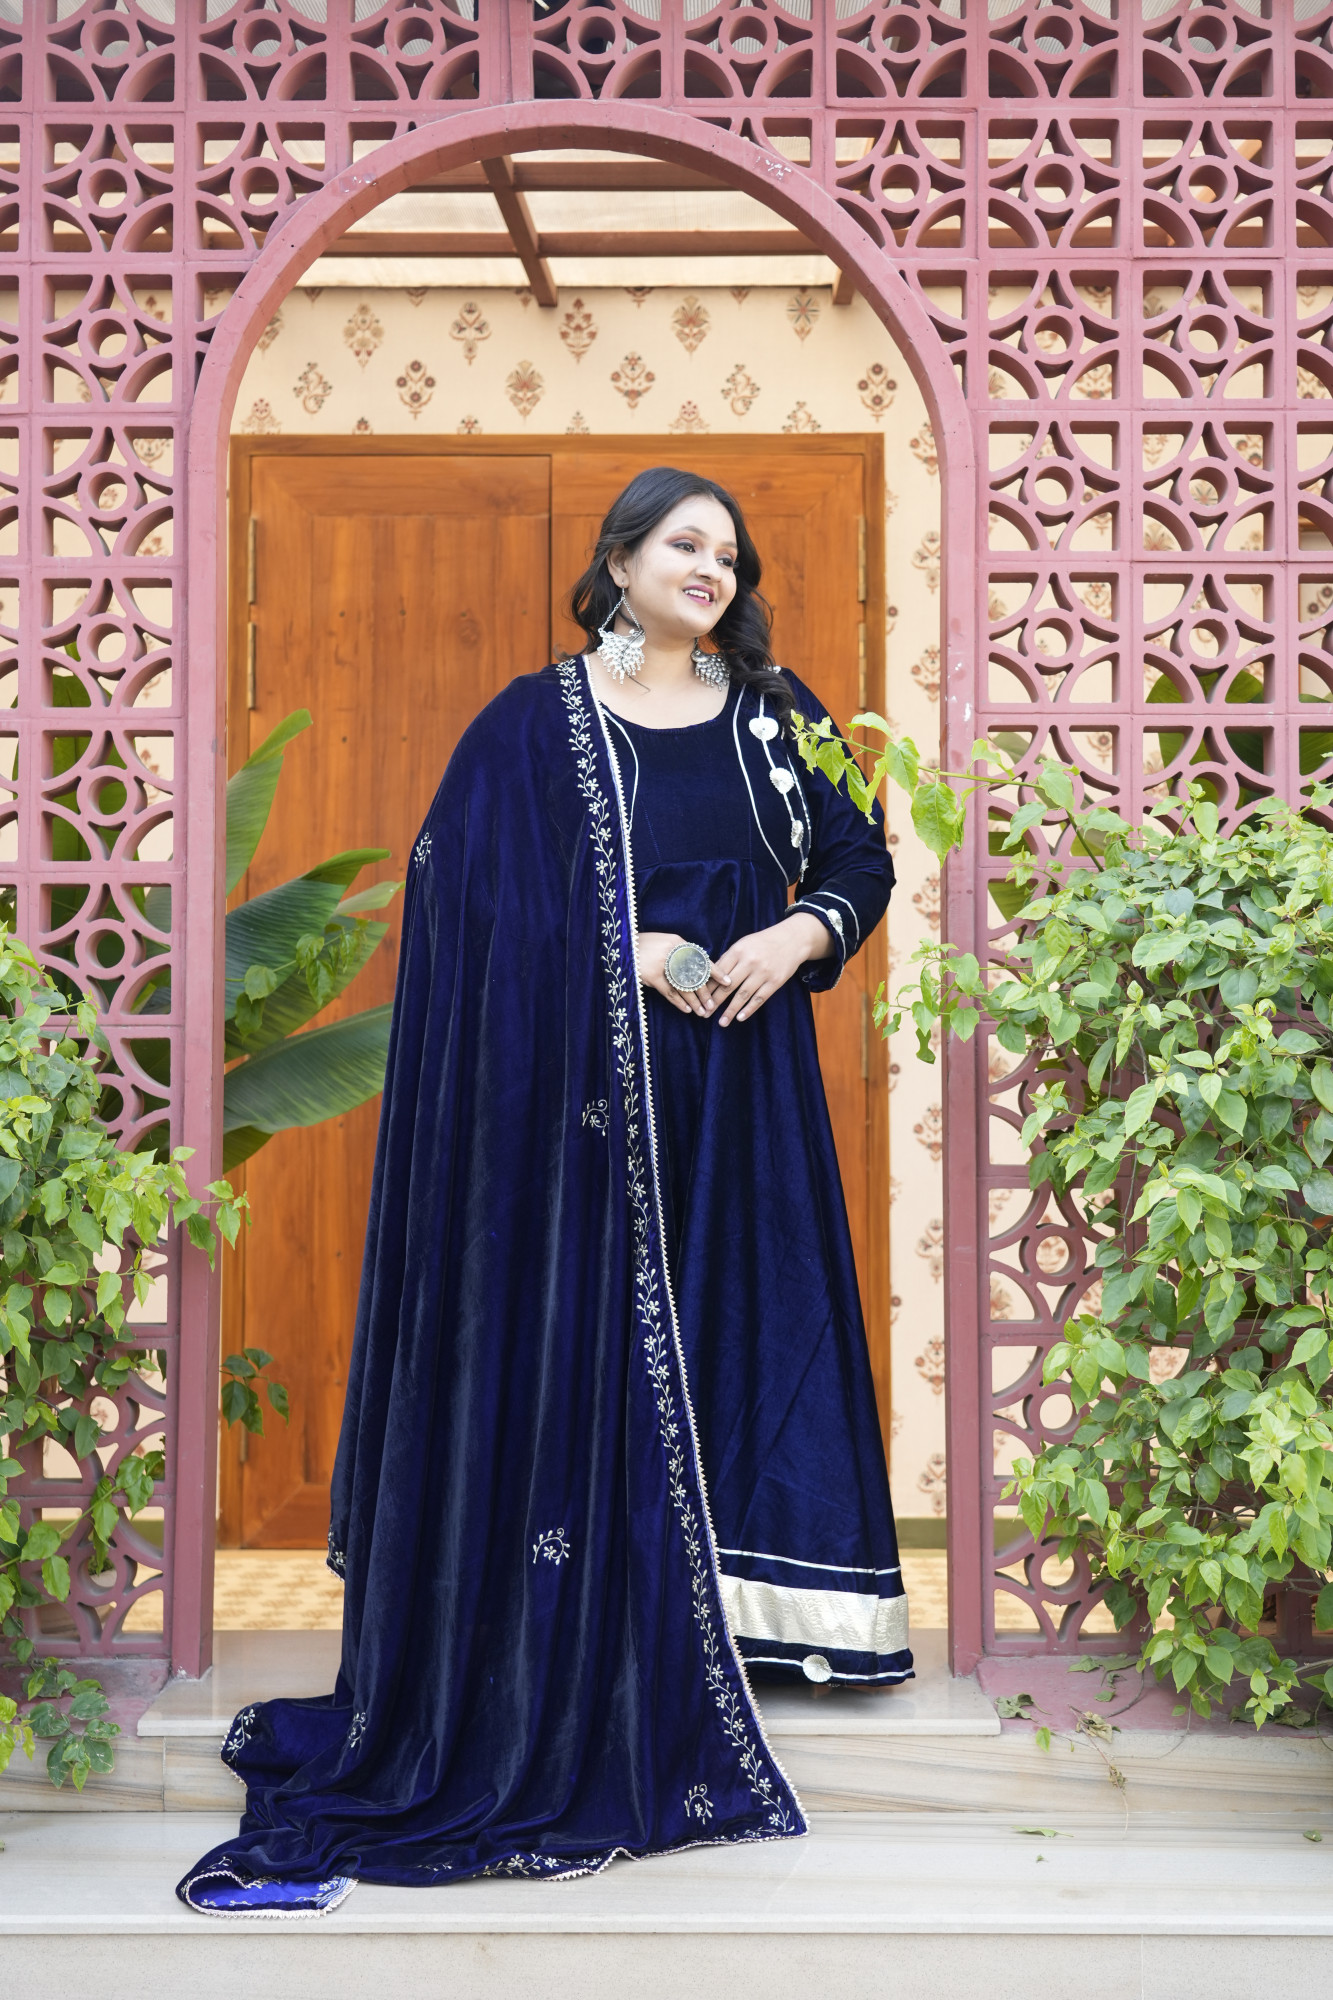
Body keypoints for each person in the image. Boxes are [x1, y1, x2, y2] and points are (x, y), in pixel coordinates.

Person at [178, 465, 912, 1915]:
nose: (712, 567)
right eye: (683, 544)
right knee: (583, 1352)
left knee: (742, 1328)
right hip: (568, 1109)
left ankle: (763, 1628)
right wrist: (617, 953)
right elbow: (464, 901)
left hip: (741, 1089)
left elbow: (860, 856)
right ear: (620, 561)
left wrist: (800, 938)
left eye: (728, 551)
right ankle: (583, 1628)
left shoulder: (781, 717)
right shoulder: (532, 725)